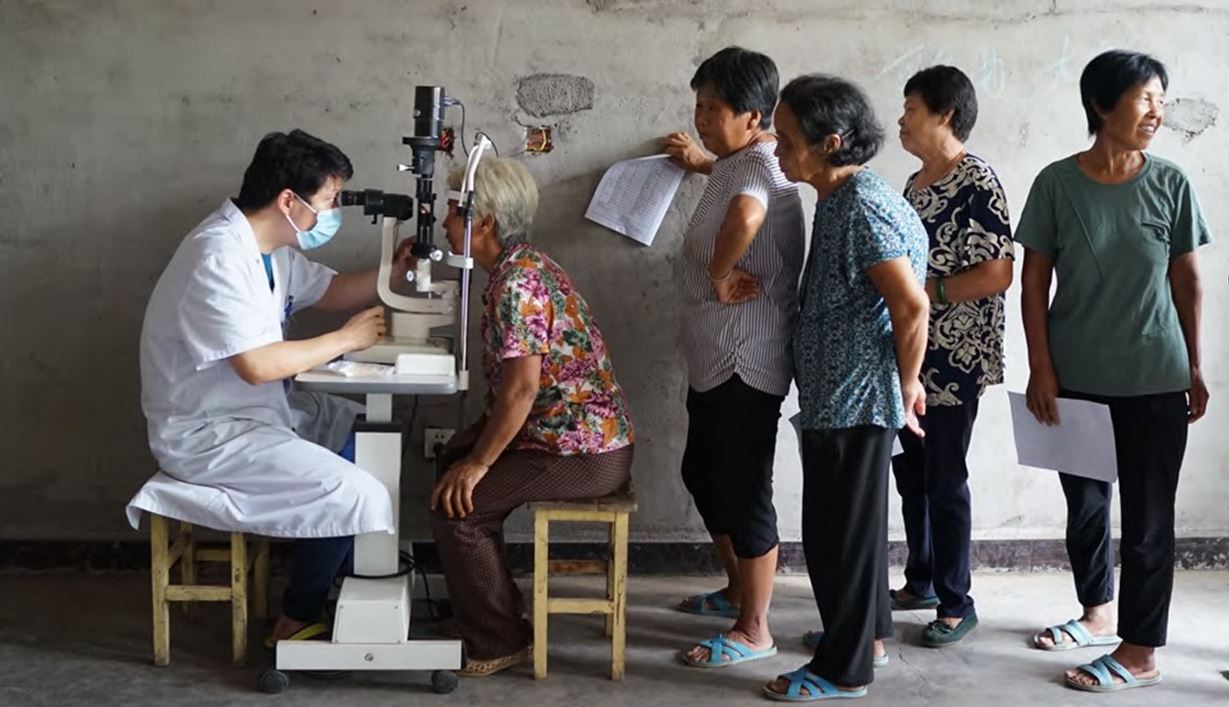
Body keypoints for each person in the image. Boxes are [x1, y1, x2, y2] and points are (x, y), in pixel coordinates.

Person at [127, 129, 416, 644]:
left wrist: (394, 271)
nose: (331, 214)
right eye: (328, 202)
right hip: (208, 432)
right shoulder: (216, 255)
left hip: (257, 412)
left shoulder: (269, 247)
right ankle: (298, 614)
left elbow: (329, 290)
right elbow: (257, 365)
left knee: (370, 436)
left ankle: (338, 576)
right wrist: (344, 340)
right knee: (355, 490)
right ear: (289, 201)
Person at [1017, 50, 1210, 693]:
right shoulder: (1055, 183)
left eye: (1161, 97)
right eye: (1144, 97)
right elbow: (1034, 281)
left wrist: (1196, 364)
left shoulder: (1172, 183)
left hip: (1156, 376)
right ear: (1101, 105)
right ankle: (1098, 615)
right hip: (1076, 377)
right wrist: (1041, 368)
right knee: (1087, 510)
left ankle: (1140, 652)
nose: (1157, 110)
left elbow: (1186, 279)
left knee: (1150, 521)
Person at [428, 157, 635, 677]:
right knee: (450, 460)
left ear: (486, 221)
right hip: (561, 438)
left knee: (460, 507)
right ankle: (489, 610)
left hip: (582, 452)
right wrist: (468, 453)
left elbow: (521, 392)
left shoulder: (517, 284)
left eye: (455, 211)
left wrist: (478, 464)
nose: (445, 222)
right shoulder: (521, 266)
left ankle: (500, 640)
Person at [763, 75, 929, 701]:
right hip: (841, 398)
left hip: (858, 399)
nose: (778, 152)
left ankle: (845, 668)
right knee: (845, 533)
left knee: (842, 540)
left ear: (830, 142)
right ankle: (867, 640)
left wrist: (906, 387)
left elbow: (911, 308)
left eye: (786, 140)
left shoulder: (861, 203)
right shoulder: (841, 199)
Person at [663, 46, 805, 669]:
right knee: (703, 473)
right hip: (718, 356)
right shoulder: (738, 160)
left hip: (746, 359)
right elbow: (734, 191)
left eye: (713, 109)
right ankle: (737, 590)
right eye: (698, 105)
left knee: (745, 488)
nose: (701, 118)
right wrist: (699, 163)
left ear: (753, 116)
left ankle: (755, 627)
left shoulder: (757, 169)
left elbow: (747, 212)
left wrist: (721, 274)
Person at [888, 65, 1014, 646]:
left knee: (944, 477)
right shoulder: (916, 183)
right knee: (909, 473)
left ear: (945, 113)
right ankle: (923, 580)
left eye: (911, 108)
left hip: (956, 355)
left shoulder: (976, 181)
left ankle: (958, 601)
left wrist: (926, 293)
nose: (901, 120)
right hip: (914, 350)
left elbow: (997, 272)